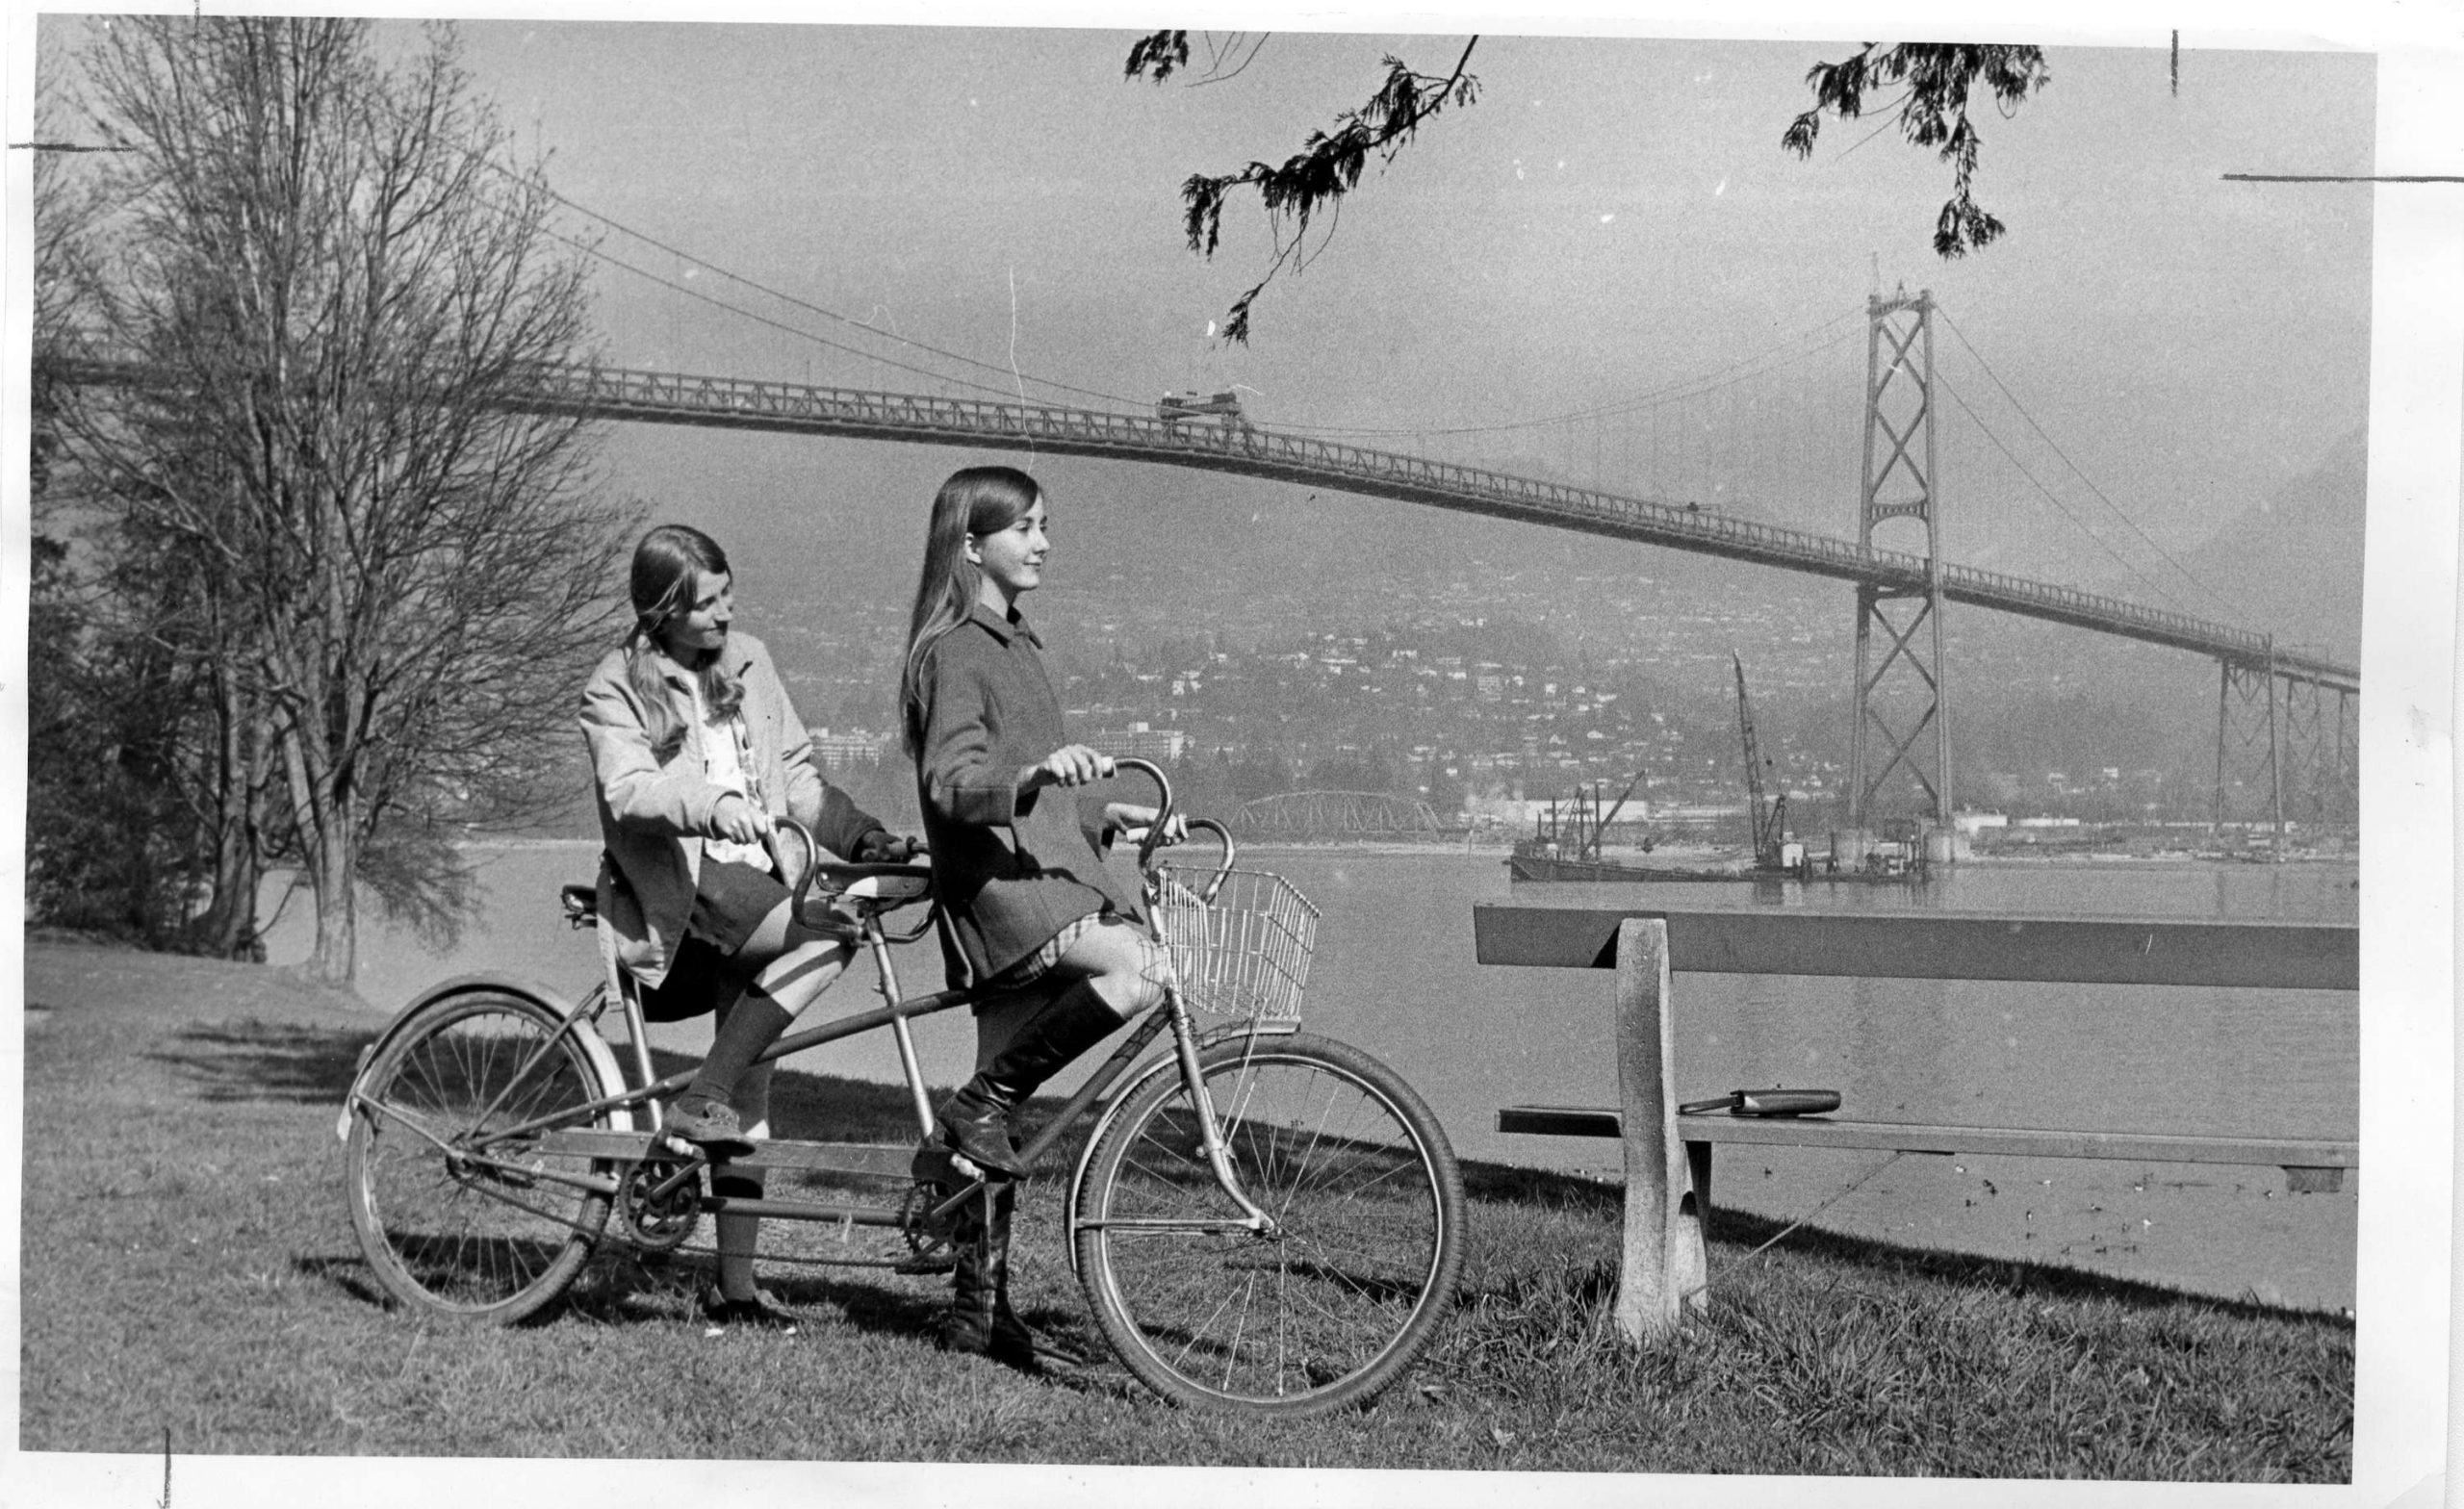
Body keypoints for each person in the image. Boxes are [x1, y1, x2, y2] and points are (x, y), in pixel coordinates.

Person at [582, 523, 917, 1326]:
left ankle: (735, 1290)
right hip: (682, 884)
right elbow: (629, 792)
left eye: (731, 596)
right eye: (707, 605)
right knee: (831, 932)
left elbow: (796, 776)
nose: (726, 616)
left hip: (760, 881)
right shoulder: (613, 687)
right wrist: (715, 804)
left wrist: (864, 834)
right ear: (661, 613)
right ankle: (702, 1096)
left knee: (754, 1079)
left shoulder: (751, 662)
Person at [899, 465, 1182, 1364]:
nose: (1044, 543)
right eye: (1024, 528)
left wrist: (1102, 816)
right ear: (970, 545)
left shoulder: (1018, 643)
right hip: (1002, 896)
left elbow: (1039, 801)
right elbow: (953, 783)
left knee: (1005, 1126)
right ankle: (975, 1104)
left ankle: (977, 1316)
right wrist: (1029, 777)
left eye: (1045, 526)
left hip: (1032, 878)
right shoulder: (955, 650)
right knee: (1136, 968)